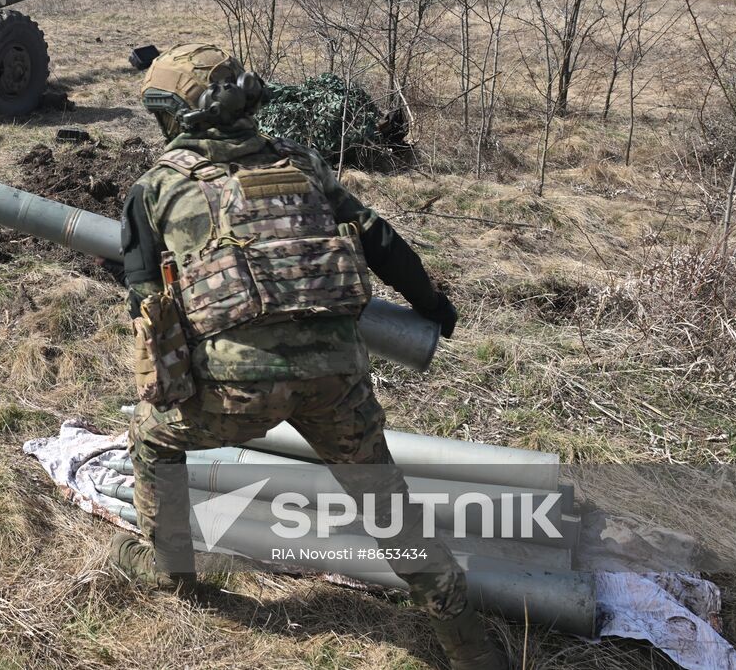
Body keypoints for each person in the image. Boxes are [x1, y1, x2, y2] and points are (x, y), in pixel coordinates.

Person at [111, 44, 505, 670]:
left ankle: (174, 576)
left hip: (235, 391)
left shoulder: (156, 187)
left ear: (175, 117)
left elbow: (146, 302)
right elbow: (379, 239)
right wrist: (431, 304)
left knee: (155, 441)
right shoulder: (303, 164)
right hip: (337, 383)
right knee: (388, 506)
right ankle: (470, 647)